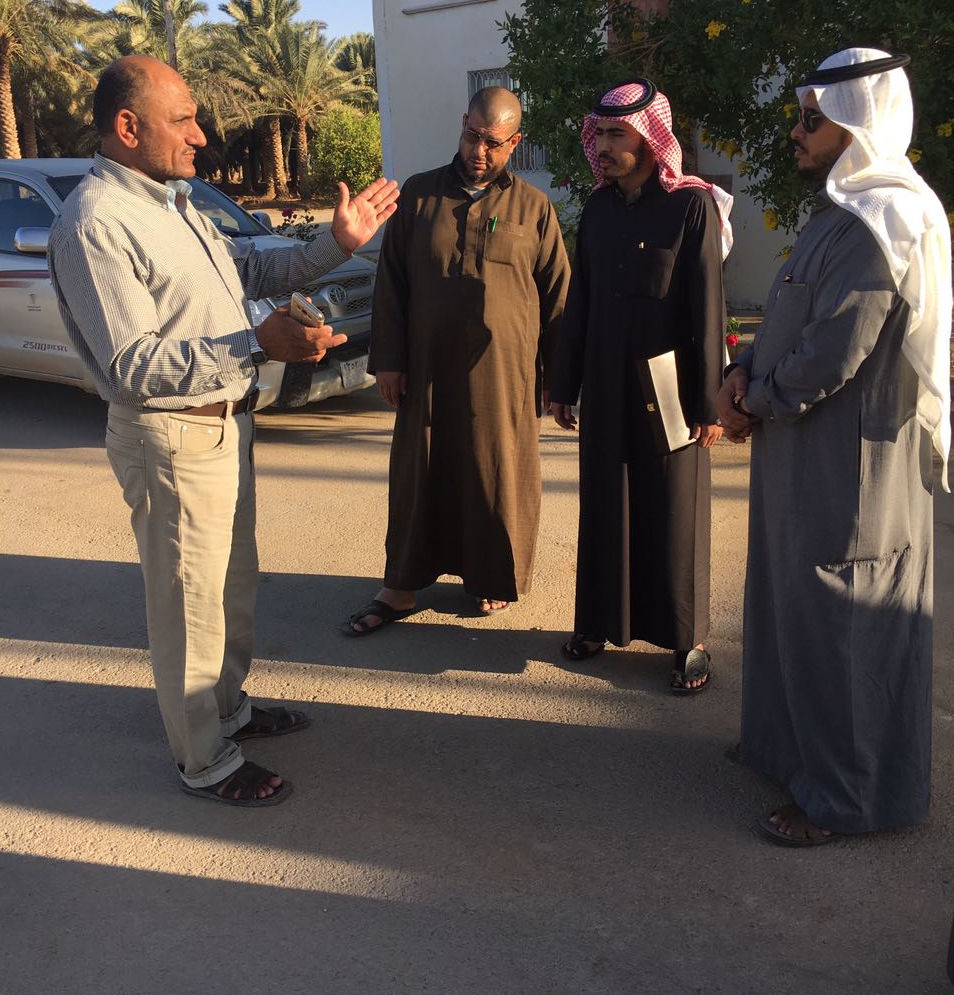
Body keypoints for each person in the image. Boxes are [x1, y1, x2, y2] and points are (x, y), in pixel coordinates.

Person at [48, 55, 398, 806]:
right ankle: (203, 758)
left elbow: (249, 272)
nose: (201, 135)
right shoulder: (96, 222)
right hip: (171, 438)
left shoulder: (174, 203)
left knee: (231, 589)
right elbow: (133, 365)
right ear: (128, 126)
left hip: (224, 427)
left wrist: (336, 244)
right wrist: (257, 345)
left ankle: (228, 710)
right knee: (188, 608)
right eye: (183, 120)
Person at [717, 47, 952, 846]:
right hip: (800, 454)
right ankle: (791, 756)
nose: (797, 131)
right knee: (793, 609)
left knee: (845, 623)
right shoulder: (836, 215)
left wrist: (756, 401)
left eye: (812, 120)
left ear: (857, 125)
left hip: (852, 470)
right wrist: (741, 371)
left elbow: (832, 353)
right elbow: (789, 320)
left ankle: (844, 800)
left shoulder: (885, 222)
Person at [345, 86, 570, 634]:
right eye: (472, 136)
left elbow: (559, 298)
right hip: (426, 369)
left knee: (496, 473)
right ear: (463, 123)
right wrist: (389, 360)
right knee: (418, 472)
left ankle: (491, 578)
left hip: (505, 374)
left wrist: (558, 379)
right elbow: (391, 282)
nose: (479, 151)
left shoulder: (533, 208)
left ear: (515, 143)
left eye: (494, 142)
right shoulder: (420, 196)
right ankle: (400, 587)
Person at [549, 80, 732, 692]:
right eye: (599, 134)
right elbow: (580, 301)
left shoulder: (691, 206)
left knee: (674, 513)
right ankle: (597, 623)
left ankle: (688, 640)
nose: (603, 146)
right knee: (604, 505)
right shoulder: (598, 210)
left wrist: (709, 403)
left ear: (651, 140)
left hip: (671, 389)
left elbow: (708, 308)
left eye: (616, 135)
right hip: (605, 383)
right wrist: (564, 383)